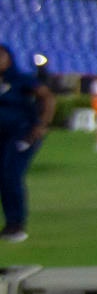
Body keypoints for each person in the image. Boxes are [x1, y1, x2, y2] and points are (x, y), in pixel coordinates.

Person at [0, 45, 55, 242]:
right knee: (4, 176)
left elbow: (47, 97)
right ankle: (10, 223)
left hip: (23, 135)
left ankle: (16, 224)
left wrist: (41, 125)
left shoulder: (21, 80)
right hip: (2, 136)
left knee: (11, 174)